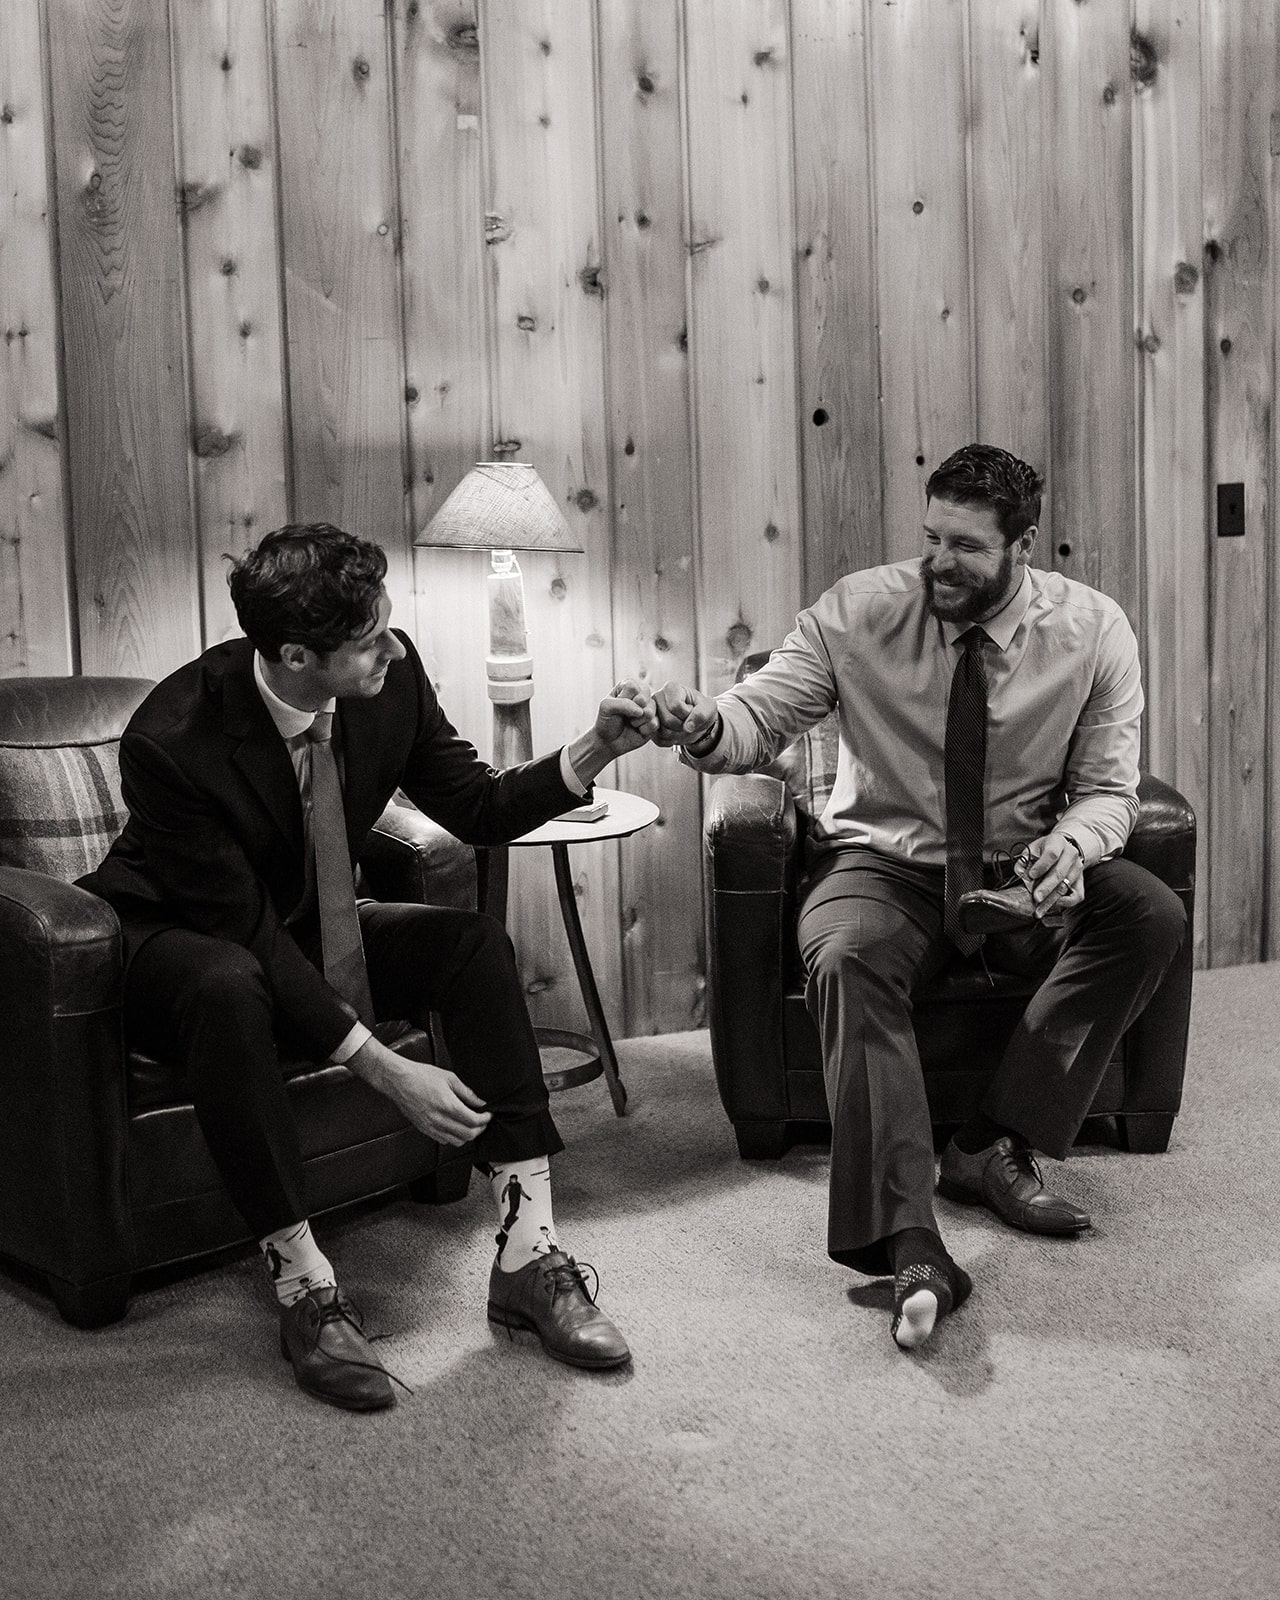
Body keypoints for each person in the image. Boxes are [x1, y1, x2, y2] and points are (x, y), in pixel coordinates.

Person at [83, 522, 657, 1411]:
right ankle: (303, 1284)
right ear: (295, 654)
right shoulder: (170, 739)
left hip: (306, 922)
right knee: (229, 986)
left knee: (471, 944)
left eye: (388, 625)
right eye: (366, 641)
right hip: (169, 941)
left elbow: (476, 803)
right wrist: (386, 1069)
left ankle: (528, 1253)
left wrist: (593, 751)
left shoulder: (390, 679)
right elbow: (248, 936)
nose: (392, 647)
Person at [655, 444, 1186, 1352]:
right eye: (931, 536)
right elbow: (759, 715)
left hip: (1022, 872)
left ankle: (990, 1141)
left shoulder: (1096, 630)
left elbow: (1110, 790)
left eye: (967, 547)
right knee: (846, 954)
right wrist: (704, 723)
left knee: (1148, 911)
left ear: (1024, 546)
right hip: (884, 865)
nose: (938, 561)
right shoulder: (857, 612)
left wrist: (1071, 846)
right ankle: (910, 1240)